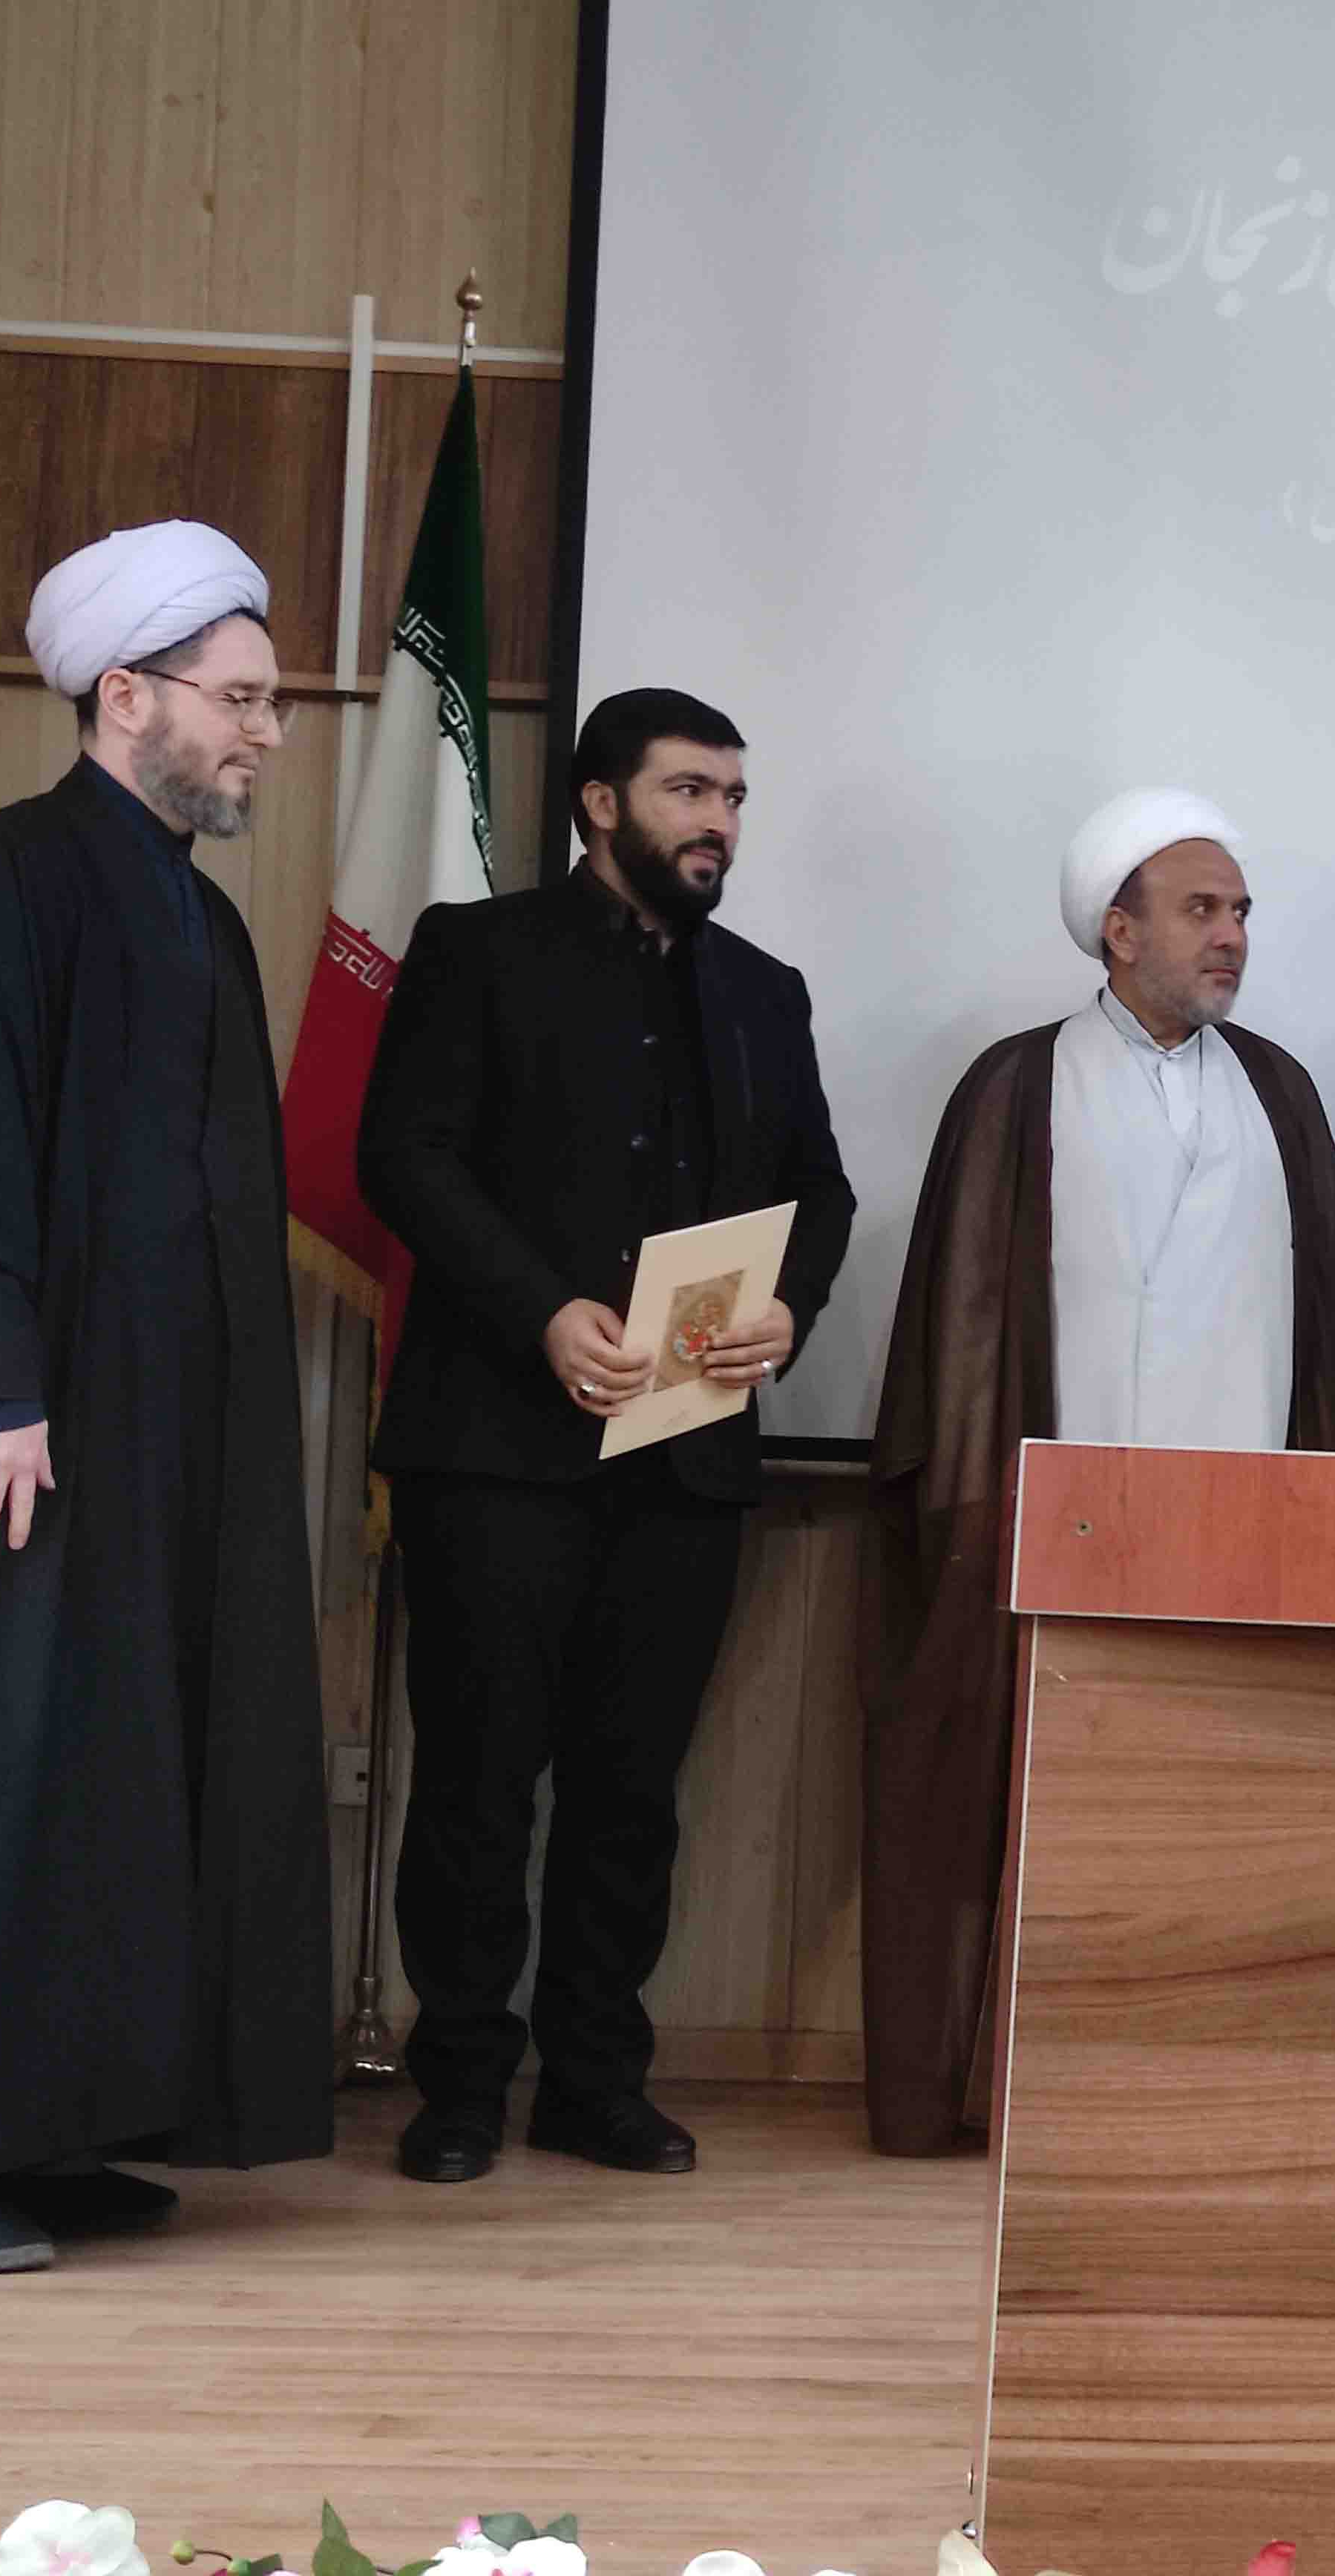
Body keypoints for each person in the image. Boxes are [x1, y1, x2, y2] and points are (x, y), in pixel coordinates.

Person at [0, 522, 331, 2272]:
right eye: (241, 699)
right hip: (0, 1432)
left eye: (273, 703)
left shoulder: (202, 922)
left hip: (150, 1447)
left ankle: (48, 2133)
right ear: (128, 695)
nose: (266, 734)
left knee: (110, 1776)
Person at [358, 688, 855, 2183]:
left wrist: (788, 1309)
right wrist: (541, 1312)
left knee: (630, 1791)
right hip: (496, 1447)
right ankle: (458, 2084)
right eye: (690, 790)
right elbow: (403, 1154)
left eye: (734, 797)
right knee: (478, 1778)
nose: (719, 822)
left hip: (686, 1453)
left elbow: (819, 1193)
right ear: (598, 801)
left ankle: (593, 2078)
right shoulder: (478, 949)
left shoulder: (764, 990)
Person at [861, 789, 1335, 2156]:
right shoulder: (1015, 1084)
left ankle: (1211, 2097)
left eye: (1242, 912)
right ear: (1118, 930)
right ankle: (1019, 2100)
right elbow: (959, 1336)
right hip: (1058, 1546)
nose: (1232, 937)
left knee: (1222, 1828)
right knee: (1051, 1827)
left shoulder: (1280, 1090)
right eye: (1201, 910)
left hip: (1248, 1542)